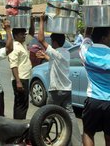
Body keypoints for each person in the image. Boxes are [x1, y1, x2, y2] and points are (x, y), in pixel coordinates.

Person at [36, 13, 82, 146]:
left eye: (51, 42)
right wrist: (45, 56)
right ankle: (76, 143)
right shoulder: (65, 52)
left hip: (56, 90)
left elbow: (40, 38)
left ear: (54, 42)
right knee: (70, 117)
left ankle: (40, 139)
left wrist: (41, 21)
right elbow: (55, 61)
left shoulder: (56, 52)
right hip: (67, 90)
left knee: (47, 115)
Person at [8, 18, 35, 120]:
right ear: (15, 36)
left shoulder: (23, 43)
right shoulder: (14, 47)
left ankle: (18, 125)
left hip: (24, 78)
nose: (24, 36)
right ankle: (18, 126)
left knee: (23, 104)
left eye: (24, 34)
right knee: (21, 105)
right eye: (22, 34)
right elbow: (13, 65)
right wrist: (18, 81)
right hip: (20, 79)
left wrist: (32, 19)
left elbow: (31, 33)